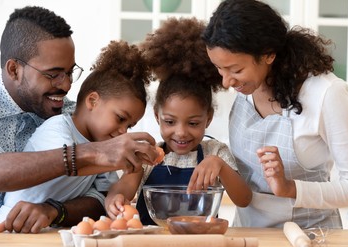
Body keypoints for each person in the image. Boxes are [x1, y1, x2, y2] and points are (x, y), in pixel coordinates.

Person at [0, 6, 158, 233]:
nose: (66, 85)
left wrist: (55, 210)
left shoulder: (71, 113)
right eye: (53, 74)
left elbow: (99, 197)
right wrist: (96, 152)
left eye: (70, 73)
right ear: (14, 69)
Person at [202, 0, 348, 228]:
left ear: (268, 55)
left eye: (236, 70)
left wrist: (290, 188)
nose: (226, 81)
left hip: (311, 239)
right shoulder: (246, 87)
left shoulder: (326, 93)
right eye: (219, 68)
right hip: (248, 234)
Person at [105, 17, 252, 224]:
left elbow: (244, 199)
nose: (181, 132)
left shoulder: (215, 153)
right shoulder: (149, 156)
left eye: (193, 123)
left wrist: (220, 165)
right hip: (152, 246)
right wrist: (115, 199)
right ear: (157, 116)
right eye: (170, 122)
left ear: (208, 118)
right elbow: (122, 190)